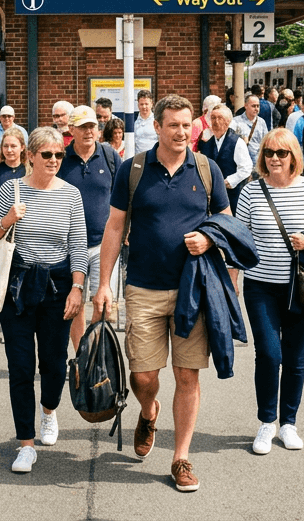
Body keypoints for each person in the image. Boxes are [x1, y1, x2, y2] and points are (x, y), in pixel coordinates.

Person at [92, 94, 230, 493]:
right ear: (157, 127)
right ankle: (148, 410)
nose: (182, 132)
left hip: (192, 289)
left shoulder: (206, 169)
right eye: (174, 125)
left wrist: (209, 238)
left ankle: (181, 457)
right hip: (143, 288)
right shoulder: (134, 170)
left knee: (187, 375)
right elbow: (115, 227)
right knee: (144, 375)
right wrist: (104, 284)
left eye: (187, 125)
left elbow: (225, 219)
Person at [0, 127, 89, 473]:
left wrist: (77, 288)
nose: (55, 160)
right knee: (21, 365)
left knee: (55, 363)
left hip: (57, 285)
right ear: (31, 157)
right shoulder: (12, 188)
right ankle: (25, 443)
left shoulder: (71, 195)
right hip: (18, 285)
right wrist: (8, 219)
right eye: (47, 155)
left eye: (59, 155)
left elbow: (78, 246)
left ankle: (49, 411)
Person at [233, 128, 304, 454]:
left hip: (299, 287)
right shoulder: (251, 192)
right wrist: (232, 279)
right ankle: (266, 422)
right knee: (269, 354)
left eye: (282, 153)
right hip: (260, 286)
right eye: (270, 152)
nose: (275, 158)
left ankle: (288, 423)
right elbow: (239, 239)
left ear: (293, 157)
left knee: (295, 358)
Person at [58, 106, 121, 349]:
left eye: (92, 126)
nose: (88, 131)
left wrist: (125, 231)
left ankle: (92, 353)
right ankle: (79, 357)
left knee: (102, 302)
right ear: (71, 129)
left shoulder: (110, 156)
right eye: (82, 127)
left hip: (103, 244)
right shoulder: (61, 160)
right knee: (75, 304)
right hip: (70, 247)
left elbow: (121, 196)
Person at [199, 104, 253, 211]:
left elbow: (246, 168)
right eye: (213, 118)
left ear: (227, 122)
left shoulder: (237, 142)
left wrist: (230, 181)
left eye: (220, 118)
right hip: (213, 197)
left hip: (232, 196)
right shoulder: (207, 143)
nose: (216, 121)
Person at [233, 93, 269, 162]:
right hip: (242, 163)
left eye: (258, 106)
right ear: (246, 106)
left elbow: (266, 142)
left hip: (257, 163)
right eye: (253, 106)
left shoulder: (261, 122)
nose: (256, 109)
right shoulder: (236, 122)